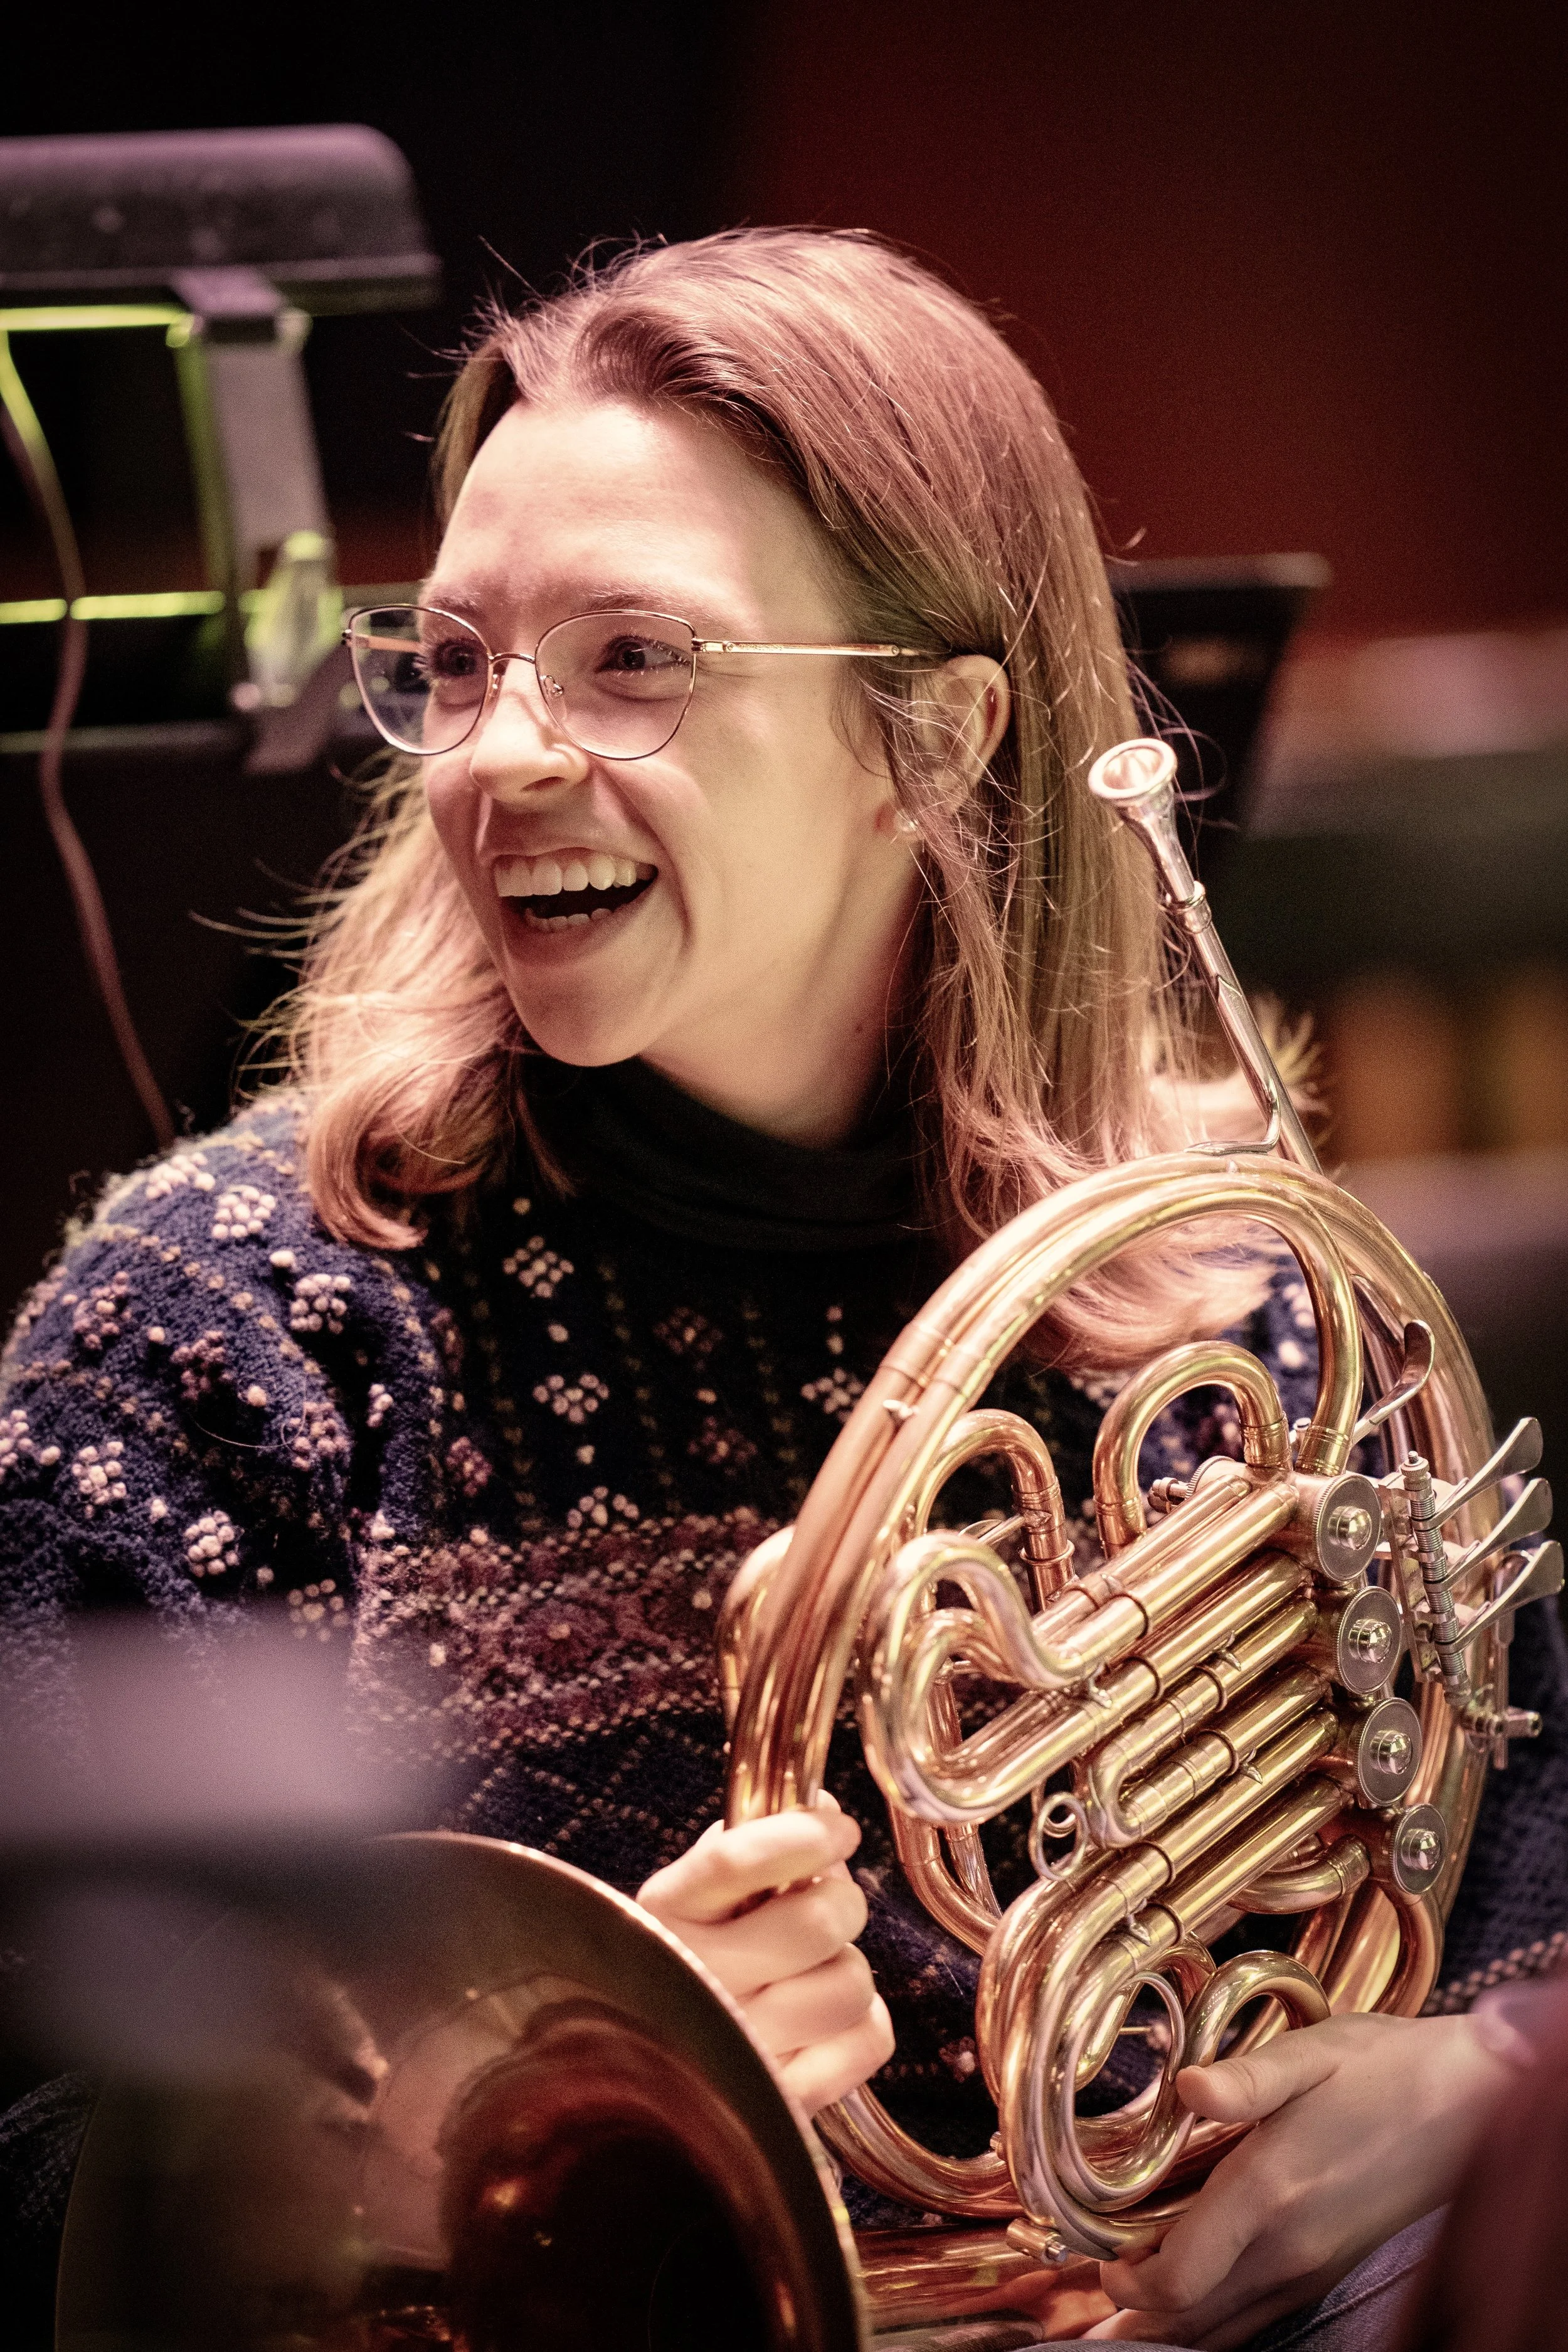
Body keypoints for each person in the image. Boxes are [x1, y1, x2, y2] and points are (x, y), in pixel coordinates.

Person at [1, 228, 1565, 2346]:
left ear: (938, 735)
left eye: (633, 657)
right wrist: (538, 2076)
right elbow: (42, 2162)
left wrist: (1463, 2086)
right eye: (455, 663)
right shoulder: (223, 1337)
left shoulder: (1234, 1300)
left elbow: (1516, 1844)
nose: (497, 754)